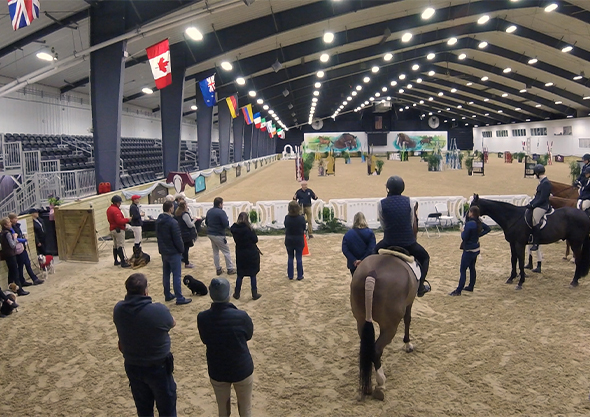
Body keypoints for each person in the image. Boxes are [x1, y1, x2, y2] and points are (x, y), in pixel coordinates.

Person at [113, 273, 177, 417]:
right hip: (158, 366)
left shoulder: (119, 309)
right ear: (145, 291)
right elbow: (172, 322)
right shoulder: (158, 310)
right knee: (167, 409)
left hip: (133, 365)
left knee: (143, 409)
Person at [197, 278, 255, 417]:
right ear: (229, 294)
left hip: (217, 368)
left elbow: (205, 339)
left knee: (223, 411)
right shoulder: (241, 316)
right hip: (241, 367)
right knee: (245, 409)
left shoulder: (203, 317)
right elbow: (248, 335)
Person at [375, 176, 431, 297]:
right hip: (408, 243)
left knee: (371, 254)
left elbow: (383, 223)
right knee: (425, 257)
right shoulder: (409, 202)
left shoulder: (381, 203)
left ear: (388, 189)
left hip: (388, 242)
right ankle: (420, 287)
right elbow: (411, 222)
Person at [156, 201, 192, 305]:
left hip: (164, 251)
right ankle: (179, 298)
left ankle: (167, 294)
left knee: (166, 274)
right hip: (173, 252)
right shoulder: (173, 222)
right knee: (177, 275)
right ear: (171, 208)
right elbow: (177, 239)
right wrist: (181, 250)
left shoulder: (158, 221)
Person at [449, 206, 490, 296]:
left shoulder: (470, 224)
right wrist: (479, 235)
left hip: (469, 250)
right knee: (472, 267)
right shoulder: (478, 222)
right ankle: (471, 286)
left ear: (471, 213)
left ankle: (459, 290)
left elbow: (464, 237)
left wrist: (462, 231)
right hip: (476, 249)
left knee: (463, 269)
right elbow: (488, 229)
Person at [230, 212, 262, 300]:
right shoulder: (249, 230)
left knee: (240, 275)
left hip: (240, 253)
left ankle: (237, 293)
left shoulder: (235, 229)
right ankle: (254, 293)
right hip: (251, 253)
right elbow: (255, 240)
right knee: (252, 274)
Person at [8, 213, 44, 286]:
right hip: (18, 249)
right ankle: (32, 279)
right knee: (23, 265)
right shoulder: (11, 229)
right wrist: (24, 240)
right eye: (15, 218)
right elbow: (15, 239)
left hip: (21, 247)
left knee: (25, 264)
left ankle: (27, 280)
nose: (16, 219)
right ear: (11, 220)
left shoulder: (16, 226)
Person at [205, 197, 236, 276]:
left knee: (215, 252)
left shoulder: (209, 211)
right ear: (220, 204)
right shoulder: (221, 212)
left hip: (210, 233)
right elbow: (226, 224)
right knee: (226, 251)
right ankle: (230, 268)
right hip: (218, 234)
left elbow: (206, 222)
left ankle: (218, 269)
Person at [342, 212, 376, 277]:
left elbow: (345, 249)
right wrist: (362, 260)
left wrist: (354, 260)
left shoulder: (348, 234)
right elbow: (371, 249)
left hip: (353, 265)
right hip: (367, 263)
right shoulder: (370, 233)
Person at [0, 218, 28, 296]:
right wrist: (15, 237)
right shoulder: (7, 233)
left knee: (11, 273)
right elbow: (12, 245)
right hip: (11, 255)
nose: (10, 224)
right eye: (8, 223)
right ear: (5, 225)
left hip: (7, 254)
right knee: (15, 273)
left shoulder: (2, 232)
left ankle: (11, 289)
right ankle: (19, 290)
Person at [527, 164, 551, 251]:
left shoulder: (546, 183)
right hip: (538, 204)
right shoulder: (542, 182)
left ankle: (536, 242)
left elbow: (542, 198)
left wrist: (533, 205)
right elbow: (537, 196)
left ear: (537, 173)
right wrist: (530, 204)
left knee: (535, 220)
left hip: (542, 206)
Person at [284, 200, 307, 281]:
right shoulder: (301, 218)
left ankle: (290, 275)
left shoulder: (287, 218)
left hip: (289, 239)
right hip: (299, 239)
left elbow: (286, 226)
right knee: (299, 258)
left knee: (290, 257)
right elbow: (304, 227)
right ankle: (300, 275)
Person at [107, 195, 131, 268]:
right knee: (120, 245)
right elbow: (119, 221)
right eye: (119, 202)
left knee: (115, 246)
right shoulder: (115, 210)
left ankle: (116, 260)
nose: (120, 204)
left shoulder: (109, 209)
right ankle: (123, 262)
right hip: (118, 229)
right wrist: (128, 219)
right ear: (117, 202)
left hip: (112, 229)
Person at [174, 201, 198, 269]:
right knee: (186, 249)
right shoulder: (185, 214)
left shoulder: (178, 213)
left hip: (181, 233)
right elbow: (190, 225)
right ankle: (187, 263)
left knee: (184, 248)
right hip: (186, 234)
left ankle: (183, 259)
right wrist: (194, 220)